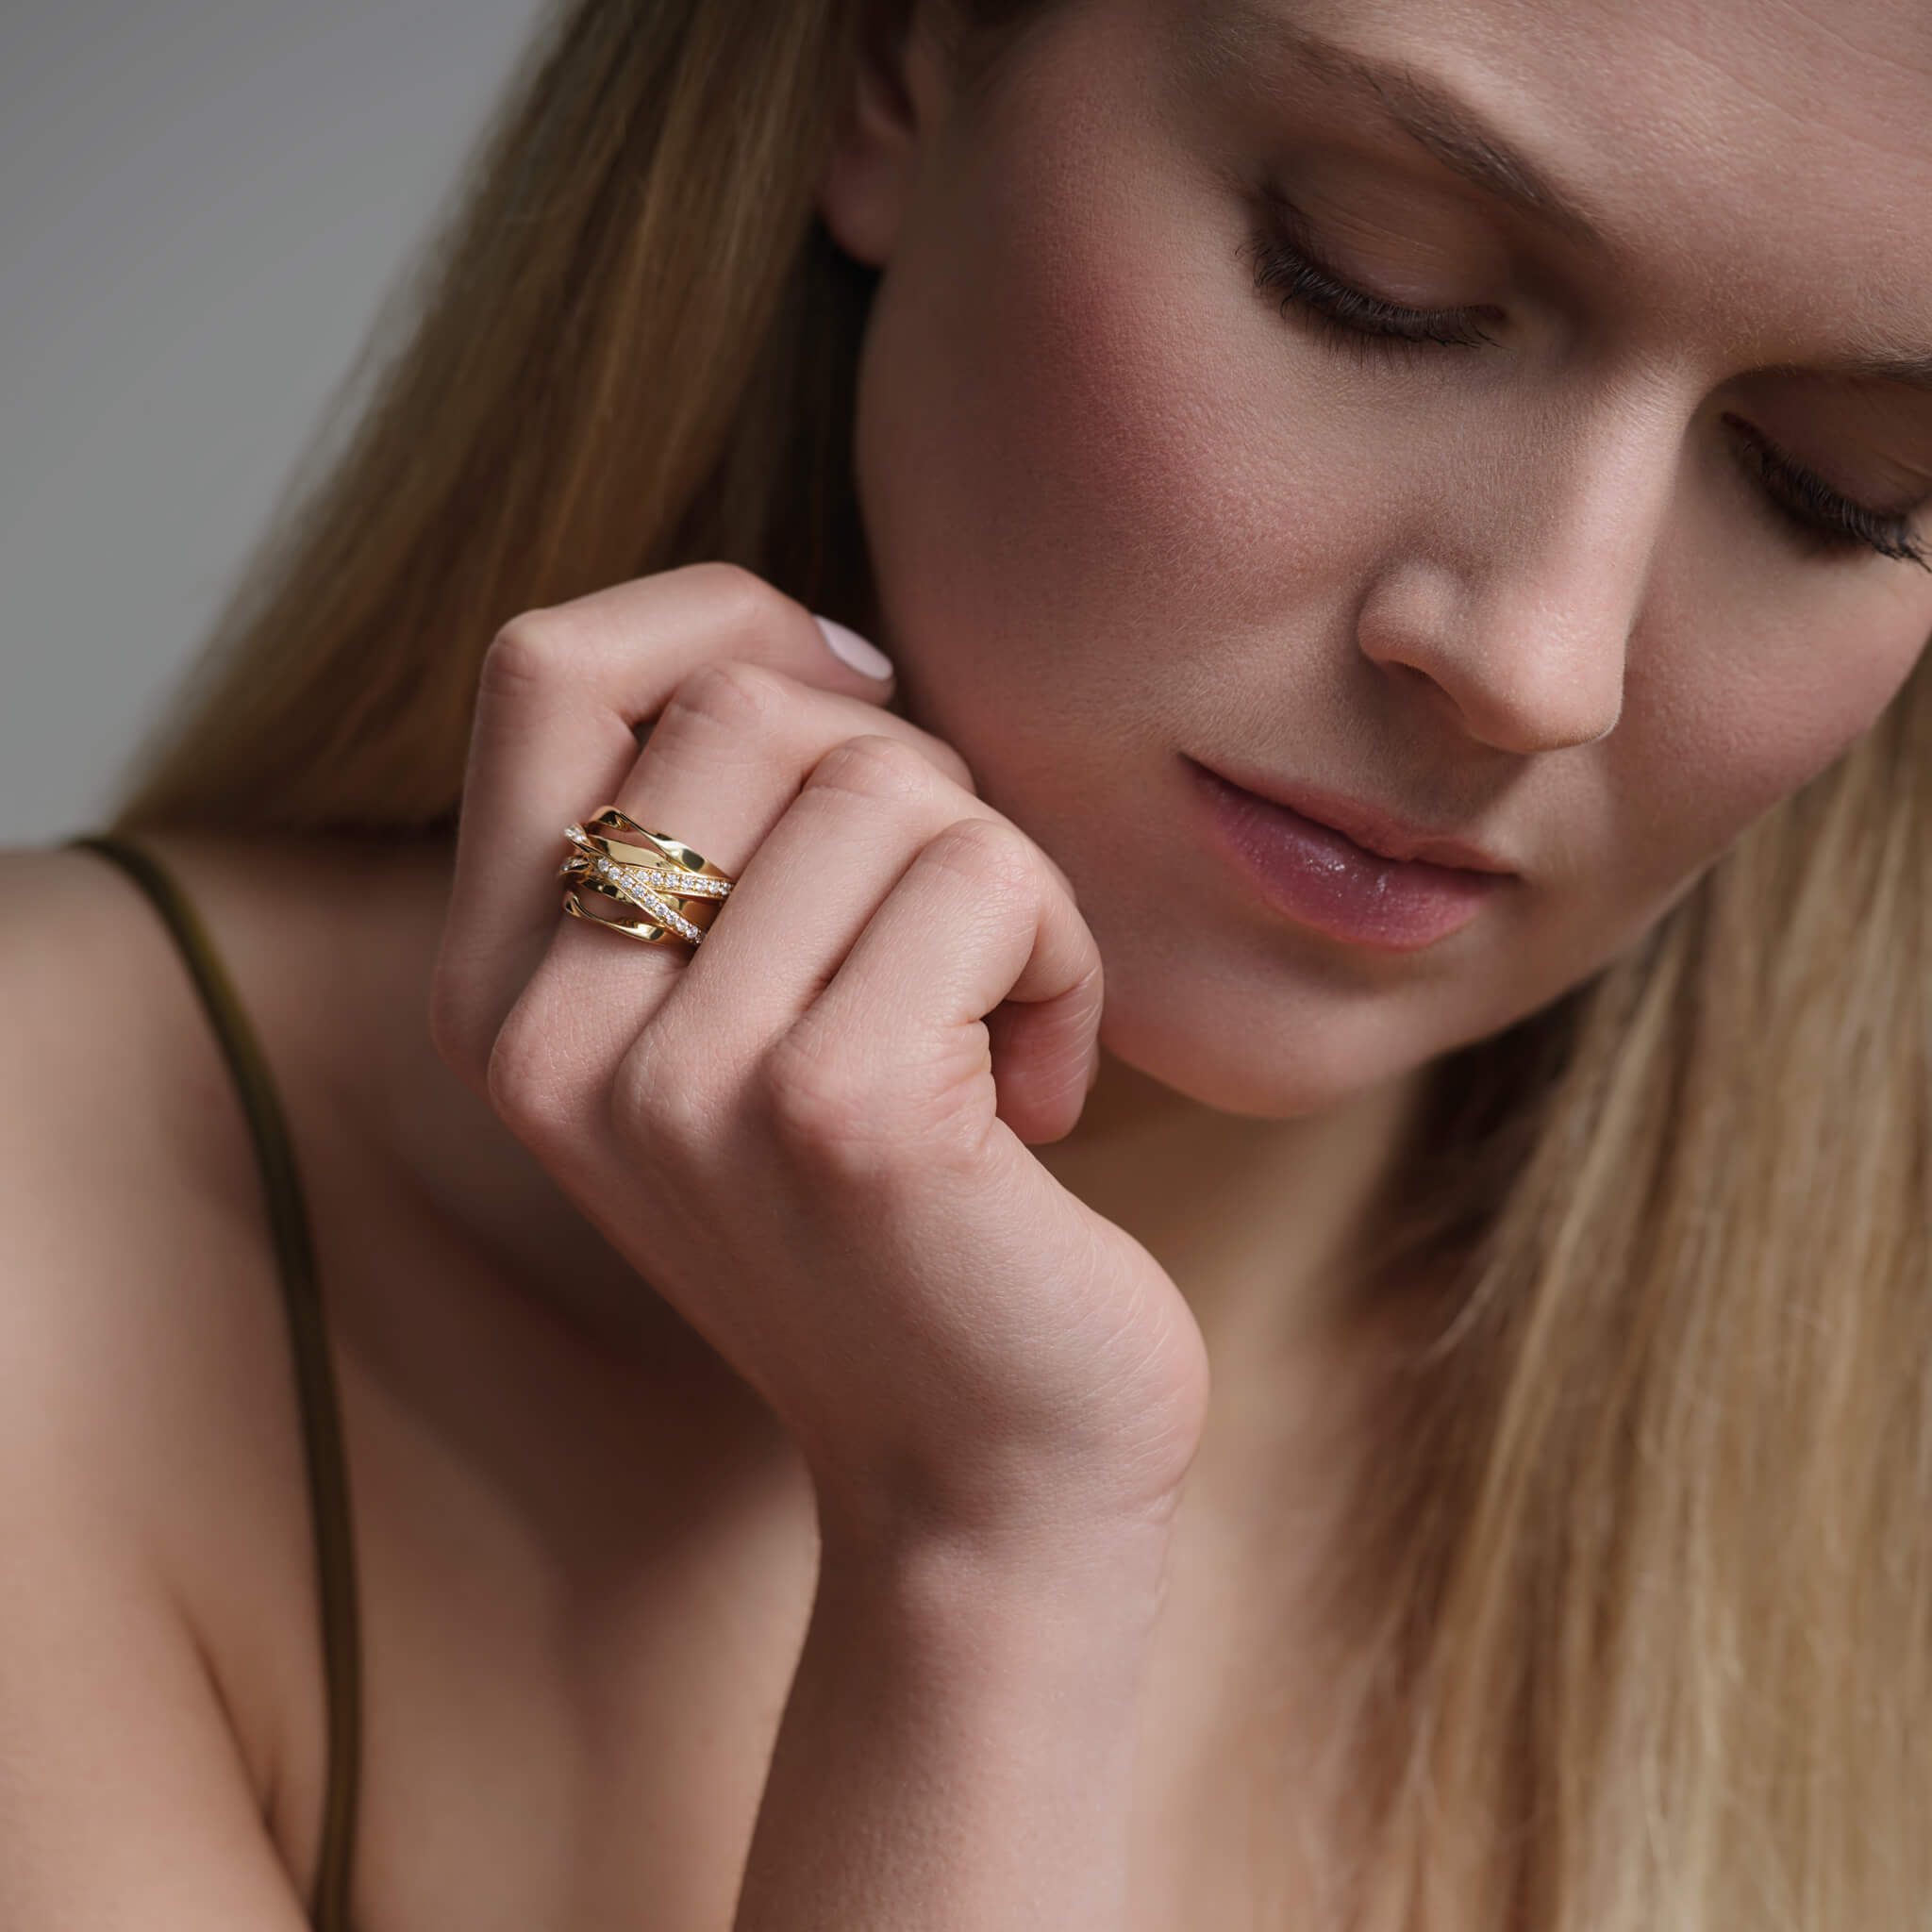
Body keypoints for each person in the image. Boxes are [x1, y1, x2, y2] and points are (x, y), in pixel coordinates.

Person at [3, 0, 1928, 1924]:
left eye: (1844, 487)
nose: (1538, 666)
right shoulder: (60, 1234)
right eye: (1373, 278)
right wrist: (989, 1558)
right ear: (890, 66)